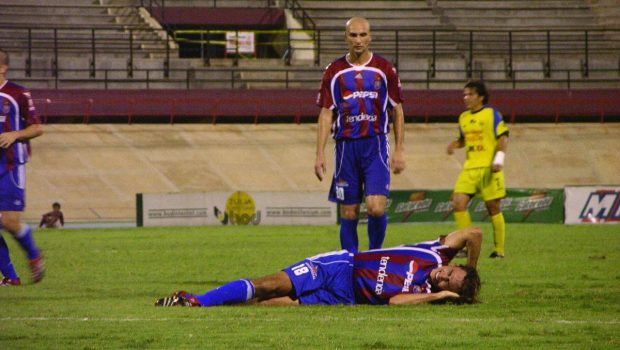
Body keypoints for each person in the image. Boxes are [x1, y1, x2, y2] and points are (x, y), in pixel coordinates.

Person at [155, 227, 481, 307]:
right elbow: (473, 233)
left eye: (449, 282)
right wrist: (472, 265)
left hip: (345, 299)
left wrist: (438, 297)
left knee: (267, 305)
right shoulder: (436, 255)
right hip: (339, 267)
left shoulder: (424, 293)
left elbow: (395, 301)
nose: (445, 275)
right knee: (272, 284)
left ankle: (212, 302)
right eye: (453, 271)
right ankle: (196, 300)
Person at [314, 17, 406, 253]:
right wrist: (319, 154)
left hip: (375, 145)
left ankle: (375, 255)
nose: (358, 40)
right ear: (346, 37)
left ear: (370, 36)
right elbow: (326, 113)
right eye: (353, 35)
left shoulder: (384, 69)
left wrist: (399, 149)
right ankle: (350, 265)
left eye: (362, 34)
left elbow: (396, 109)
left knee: (376, 207)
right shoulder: (334, 71)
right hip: (346, 148)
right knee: (349, 211)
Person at [446, 80, 509, 259]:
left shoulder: (492, 114)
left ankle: (499, 250)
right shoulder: (463, 117)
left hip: (489, 168)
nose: (466, 98)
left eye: (470, 94)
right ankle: (466, 245)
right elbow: (463, 139)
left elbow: (503, 137)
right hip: (469, 169)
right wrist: (454, 144)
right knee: (458, 202)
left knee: (493, 207)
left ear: (480, 97)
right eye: (464, 94)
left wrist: (498, 159)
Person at [0, 48, 45, 286]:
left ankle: (34, 256)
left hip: (10, 165)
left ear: (2, 68)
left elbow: (37, 128)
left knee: (8, 221)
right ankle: (11, 277)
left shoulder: (17, 94)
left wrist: (15, 134)